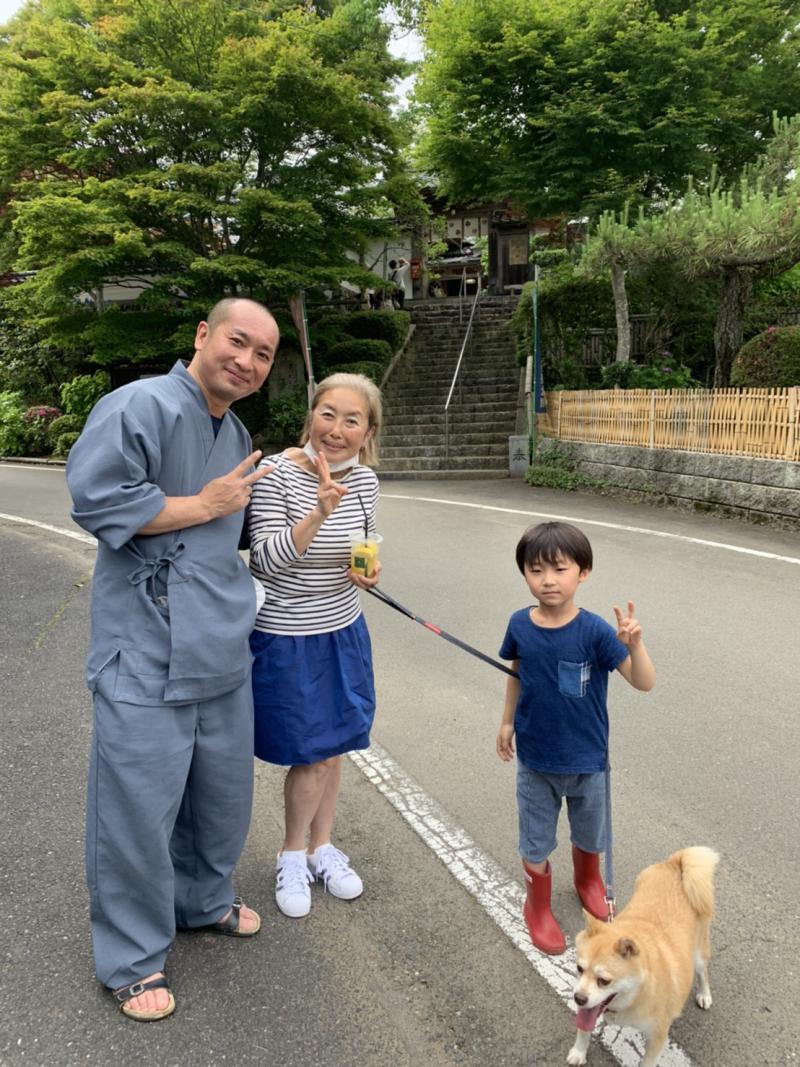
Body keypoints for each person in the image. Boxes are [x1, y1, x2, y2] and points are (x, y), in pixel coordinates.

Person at [66, 297, 280, 1021]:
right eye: (237, 342)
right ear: (202, 335)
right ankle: (130, 956)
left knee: (220, 797)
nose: (247, 362)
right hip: (145, 645)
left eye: (263, 355)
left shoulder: (240, 429)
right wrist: (202, 501)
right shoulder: (138, 406)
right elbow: (95, 499)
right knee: (136, 808)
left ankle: (202, 899)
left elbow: (246, 532)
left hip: (221, 642)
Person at [248, 372, 382, 919]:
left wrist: (368, 571)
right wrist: (320, 508)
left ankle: (322, 847)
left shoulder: (367, 483)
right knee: (308, 754)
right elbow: (265, 559)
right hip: (287, 635)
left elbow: (367, 543)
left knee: (334, 746)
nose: (337, 429)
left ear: (367, 431)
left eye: (352, 420)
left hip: (343, 628)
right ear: (311, 416)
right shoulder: (276, 474)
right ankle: (292, 855)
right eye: (328, 414)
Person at [496, 521, 656, 955]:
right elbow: (516, 673)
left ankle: (588, 879)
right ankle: (537, 907)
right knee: (535, 840)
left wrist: (635, 645)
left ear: (582, 573)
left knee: (590, 834)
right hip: (536, 760)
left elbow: (644, 683)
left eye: (559, 569)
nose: (547, 580)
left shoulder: (596, 631)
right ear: (524, 574)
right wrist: (507, 721)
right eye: (535, 570)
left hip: (589, 762)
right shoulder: (519, 624)